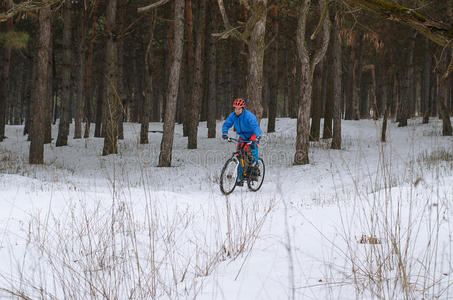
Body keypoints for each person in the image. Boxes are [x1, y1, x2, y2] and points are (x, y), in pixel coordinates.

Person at [222, 98, 261, 186]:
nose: (237, 110)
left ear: (242, 108)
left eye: (239, 109)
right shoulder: (233, 116)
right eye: (235, 108)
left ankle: (255, 169)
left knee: (253, 151)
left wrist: (257, 137)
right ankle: (240, 179)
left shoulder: (249, 116)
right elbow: (227, 124)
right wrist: (225, 133)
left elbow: (255, 127)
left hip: (252, 135)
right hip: (242, 137)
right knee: (240, 156)